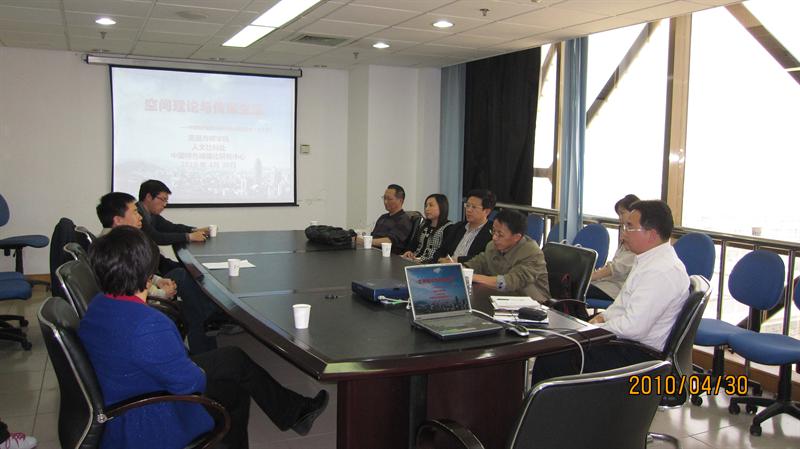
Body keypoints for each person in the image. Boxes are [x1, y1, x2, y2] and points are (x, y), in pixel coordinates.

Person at [78, 226, 328, 449]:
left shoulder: (98, 305)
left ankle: (295, 412)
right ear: (147, 270)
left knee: (233, 358)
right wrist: (191, 366)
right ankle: (292, 413)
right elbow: (190, 384)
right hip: (148, 416)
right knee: (233, 390)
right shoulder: (147, 324)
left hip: (128, 391)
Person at [532, 200, 690, 383]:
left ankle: (549, 402)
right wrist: (602, 317)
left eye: (630, 227)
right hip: (625, 342)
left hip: (637, 355)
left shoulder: (661, 272)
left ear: (651, 234)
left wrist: (594, 329)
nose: (623, 233)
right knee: (560, 342)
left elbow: (633, 328)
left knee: (552, 357)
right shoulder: (649, 260)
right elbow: (623, 306)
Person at [97, 192, 222, 354]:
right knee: (192, 307)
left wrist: (158, 280)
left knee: (185, 284)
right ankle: (209, 325)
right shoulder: (119, 247)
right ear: (118, 220)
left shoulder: (112, 240)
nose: (140, 216)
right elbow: (129, 284)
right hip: (142, 303)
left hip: (142, 294)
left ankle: (208, 322)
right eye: (134, 212)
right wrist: (162, 293)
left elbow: (139, 273)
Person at [464, 209, 550, 303]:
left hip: (533, 303)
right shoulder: (492, 246)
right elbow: (479, 263)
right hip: (501, 300)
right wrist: (462, 269)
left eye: (500, 234)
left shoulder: (532, 253)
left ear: (516, 237)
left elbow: (510, 282)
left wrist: (471, 277)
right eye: (493, 231)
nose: (494, 238)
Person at [586, 194, 640, 301]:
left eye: (622, 213)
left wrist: (587, 277)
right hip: (609, 282)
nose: (620, 218)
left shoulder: (637, 239)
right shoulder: (628, 235)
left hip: (617, 288)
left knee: (575, 289)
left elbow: (617, 268)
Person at [137, 179, 208, 246]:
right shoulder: (137, 215)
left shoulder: (151, 214)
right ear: (149, 197)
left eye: (166, 201)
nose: (165, 204)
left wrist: (194, 230)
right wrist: (189, 236)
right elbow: (156, 237)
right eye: (163, 199)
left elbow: (171, 227)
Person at [433, 189, 495, 264]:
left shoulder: (492, 233)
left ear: (487, 211)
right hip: (447, 267)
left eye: (474, 207)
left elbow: (484, 258)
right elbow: (441, 250)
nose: (468, 210)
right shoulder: (458, 227)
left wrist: (458, 260)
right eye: (467, 205)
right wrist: (440, 259)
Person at [357, 184, 413, 254]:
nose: (385, 202)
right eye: (384, 198)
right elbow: (373, 236)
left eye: (389, 199)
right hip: (373, 252)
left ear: (400, 201)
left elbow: (389, 241)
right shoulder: (383, 217)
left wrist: (365, 241)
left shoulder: (404, 220)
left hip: (389, 255)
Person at [402, 194, 452, 263]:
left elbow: (444, 253)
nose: (427, 209)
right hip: (414, 260)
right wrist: (409, 251)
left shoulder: (448, 228)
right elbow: (413, 244)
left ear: (442, 207)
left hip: (430, 264)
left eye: (431, 205)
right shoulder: (423, 225)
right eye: (426, 206)